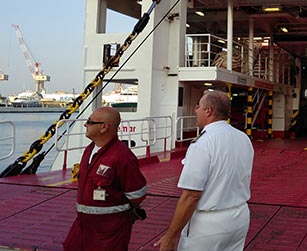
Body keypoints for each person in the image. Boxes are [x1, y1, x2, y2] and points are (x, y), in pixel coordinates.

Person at [155, 90, 254, 251]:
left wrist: (171, 236)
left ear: (208, 111)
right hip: (239, 217)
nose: (195, 110)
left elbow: (191, 196)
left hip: (208, 226)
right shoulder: (243, 138)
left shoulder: (202, 143)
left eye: (198, 106)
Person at [63, 107, 147, 251]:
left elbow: (137, 194)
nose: (85, 125)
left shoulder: (121, 156)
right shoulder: (89, 150)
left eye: (90, 122)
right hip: (83, 224)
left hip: (109, 230)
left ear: (103, 127)